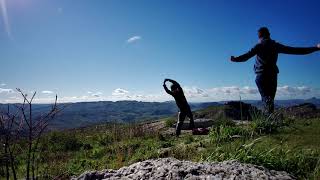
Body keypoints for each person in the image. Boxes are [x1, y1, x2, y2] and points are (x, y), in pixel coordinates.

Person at [231, 27, 320, 115]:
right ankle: (269, 120)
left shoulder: (259, 45)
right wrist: (316, 48)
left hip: (261, 76)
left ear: (260, 36)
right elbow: (295, 50)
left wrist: (235, 59)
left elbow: (246, 56)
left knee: (266, 99)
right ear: (269, 35)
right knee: (270, 100)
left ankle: (267, 121)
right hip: (272, 76)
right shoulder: (275, 45)